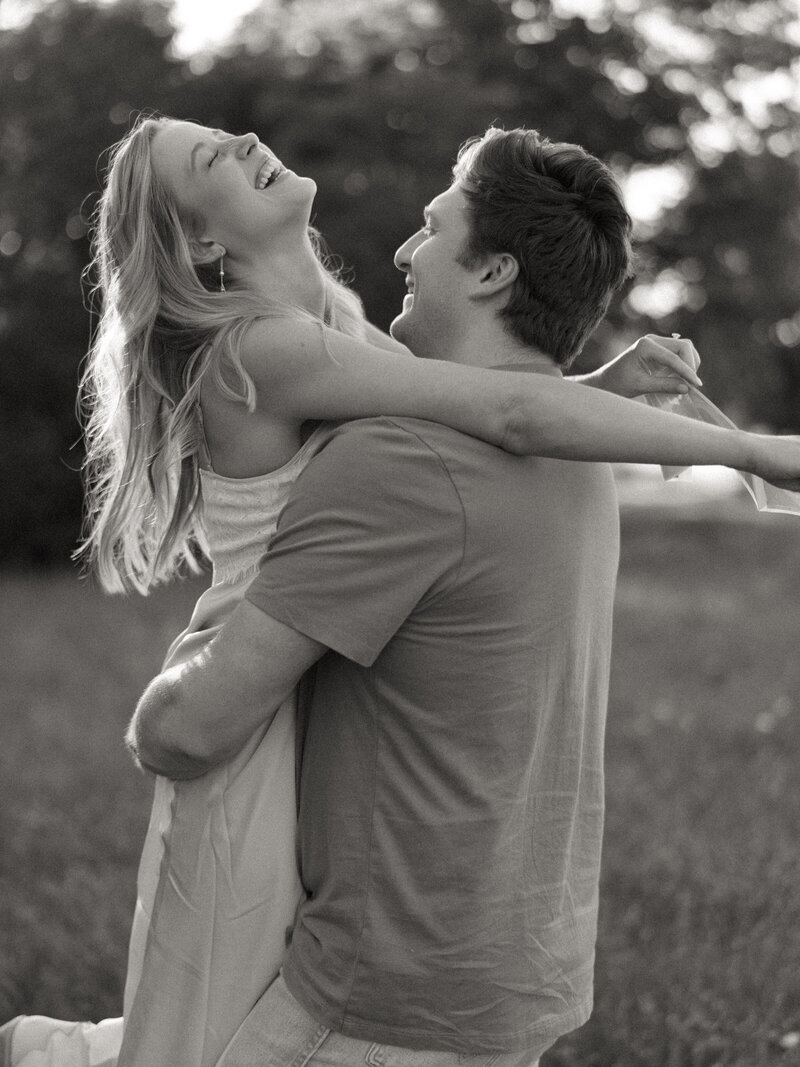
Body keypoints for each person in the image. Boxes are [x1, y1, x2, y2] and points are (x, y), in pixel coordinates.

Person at [1, 115, 798, 1067]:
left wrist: (604, 388)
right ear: (201, 242)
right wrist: (747, 450)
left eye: (432, 227)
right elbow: (498, 406)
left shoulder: (340, 331)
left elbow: (484, 403)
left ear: (491, 270)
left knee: (205, 1013)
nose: (251, 136)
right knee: (190, 1008)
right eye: (213, 156)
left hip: (301, 671)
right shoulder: (259, 349)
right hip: (256, 660)